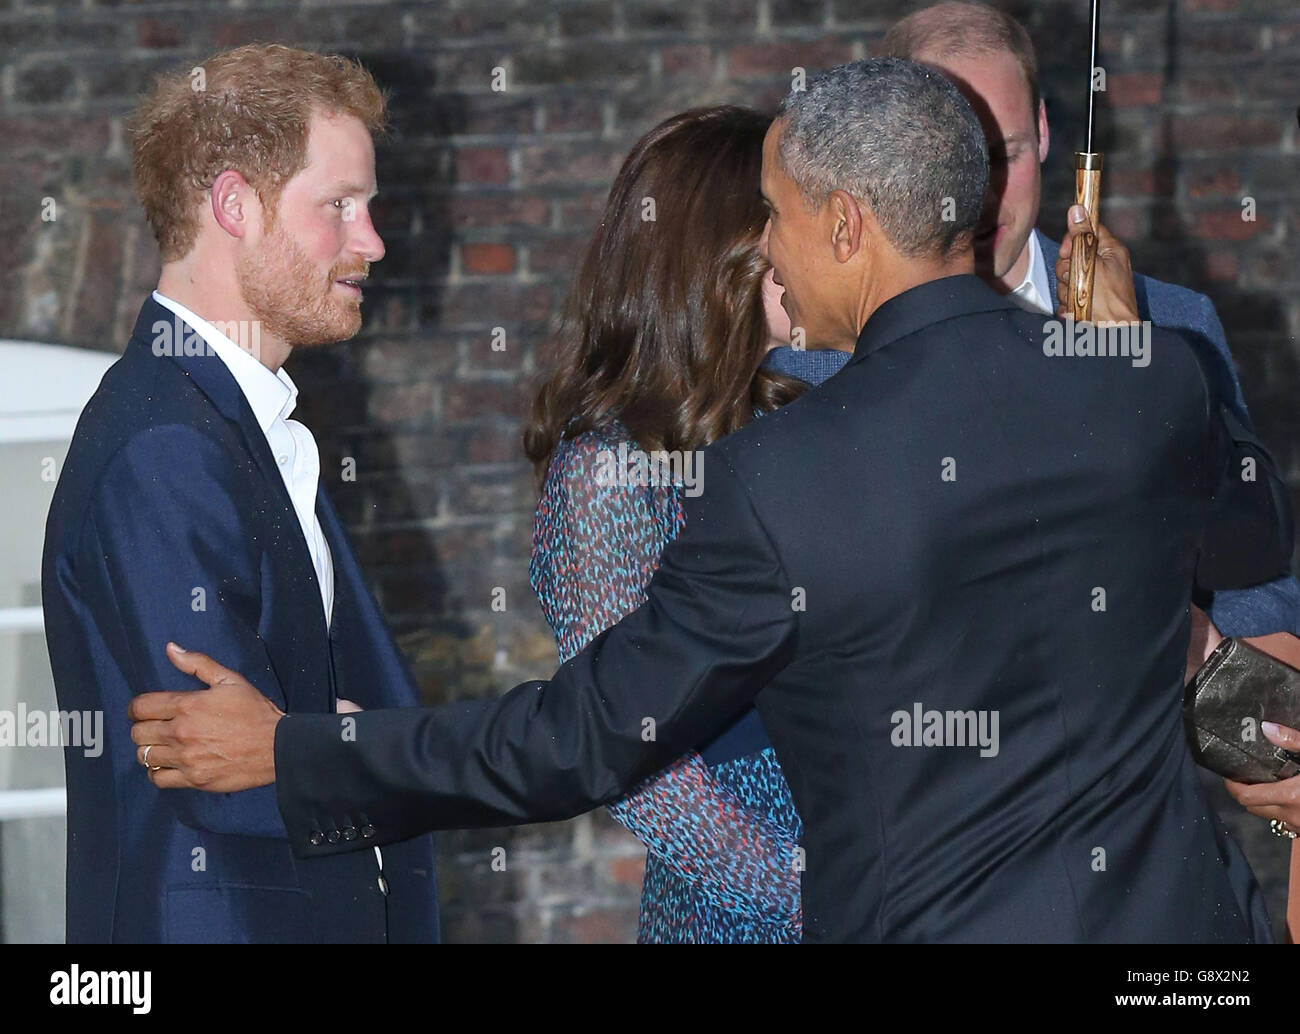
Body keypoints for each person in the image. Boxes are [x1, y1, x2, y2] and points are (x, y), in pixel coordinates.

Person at [129, 58, 1293, 943]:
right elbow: (1245, 541)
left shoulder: (787, 476)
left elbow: (578, 739)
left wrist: (297, 752)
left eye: (781, 215)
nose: (773, 253)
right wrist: (1124, 350)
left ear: (846, 224)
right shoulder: (1156, 379)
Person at [41, 44, 439, 943]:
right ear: (234, 205)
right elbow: (230, 773)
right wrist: (394, 751)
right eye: (338, 206)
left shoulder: (229, 424)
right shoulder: (164, 445)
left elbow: (292, 735)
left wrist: (324, 732)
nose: (371, 242)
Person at [879, 0, 1300, 640]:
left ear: (1044, 131)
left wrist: (1190, 654)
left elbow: (1261, 573)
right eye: (954, 164)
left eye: (1007, 154)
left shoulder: (1177, 321)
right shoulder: (828, 351)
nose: (982, 194)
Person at [525, 106, 834, 942]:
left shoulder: (790, 415)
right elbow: (635, 762)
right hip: (742, 905)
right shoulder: (608, 472)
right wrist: (814, 902)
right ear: (723, 251)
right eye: (788, 216)